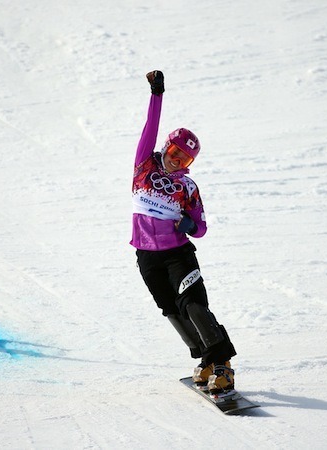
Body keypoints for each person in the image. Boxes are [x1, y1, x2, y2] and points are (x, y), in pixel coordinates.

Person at [131, 69, 237, 394]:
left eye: (185, 158)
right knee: (171, 310)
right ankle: (204, 359)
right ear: (166, 147)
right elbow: (150, 126)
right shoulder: (144, 165)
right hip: (147, 256)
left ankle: (223, 364)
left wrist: (190, 224)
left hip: (178, 255)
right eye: (175, 153)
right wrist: (156, 94)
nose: (177, 161)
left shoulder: (188, 186)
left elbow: (201, 228)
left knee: (192, 304)